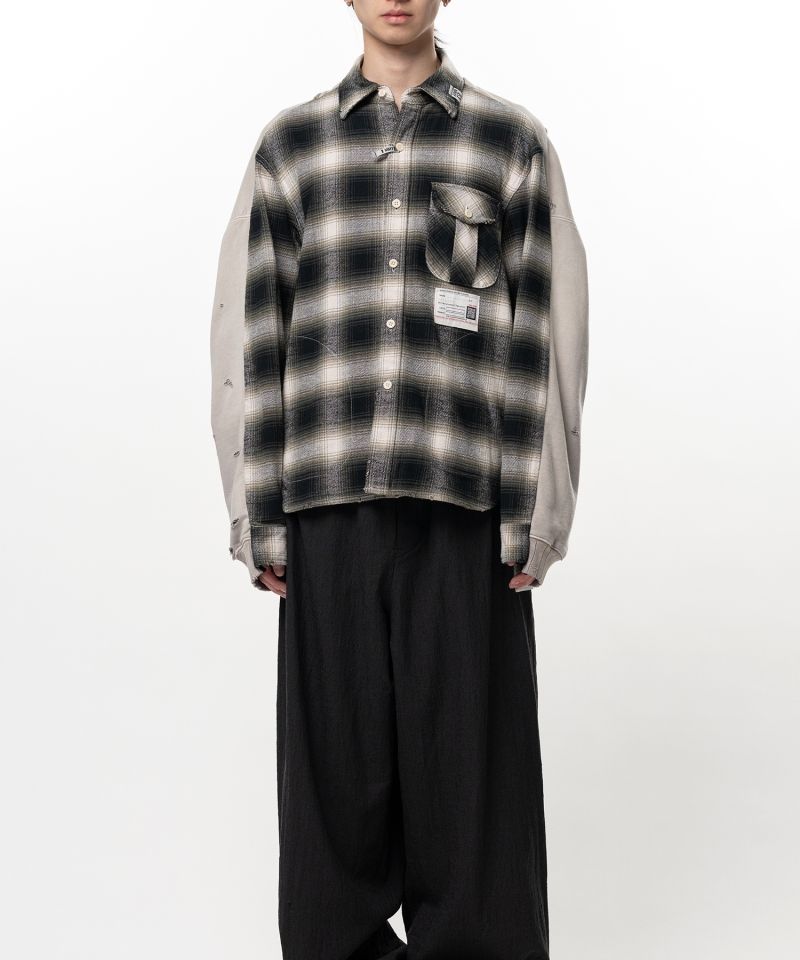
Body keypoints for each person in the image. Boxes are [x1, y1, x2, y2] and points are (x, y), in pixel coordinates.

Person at [209, 1, 589, 956]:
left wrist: (537, 514)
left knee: (475, 802)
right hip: (325, 507)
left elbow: (546, 336)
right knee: (332, 808)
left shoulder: (508, 143)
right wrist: (257, 513)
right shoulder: (291, 149)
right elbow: (252, 333)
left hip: (464, 510)